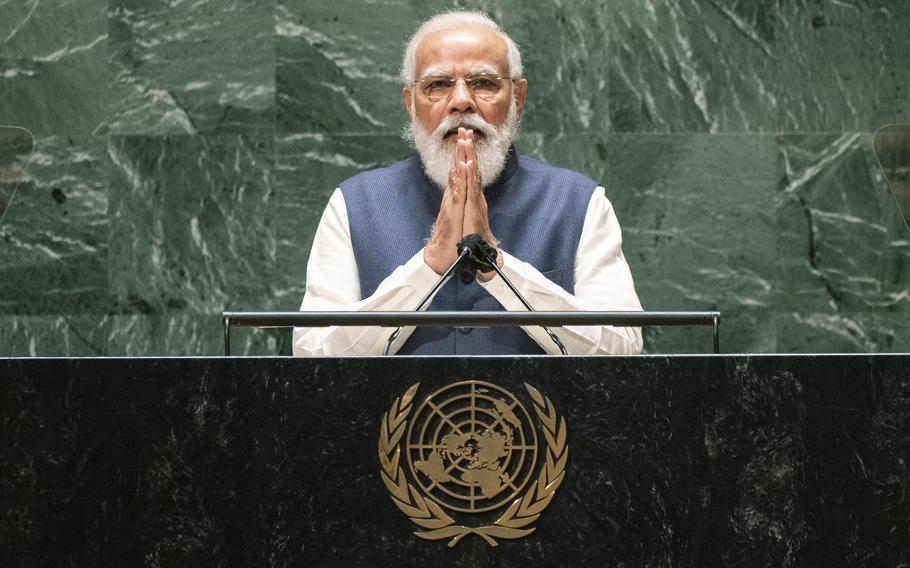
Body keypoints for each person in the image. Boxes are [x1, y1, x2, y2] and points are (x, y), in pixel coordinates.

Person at [293, 11, 643, 356]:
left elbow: (624, 349)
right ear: (410, 104)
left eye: (483, 83)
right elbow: (312, 354)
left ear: (517, 99)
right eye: (438, 85)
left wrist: (498, 266)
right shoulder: (354, 204)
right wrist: (429, 266)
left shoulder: (581, 203)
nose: (461, 101)